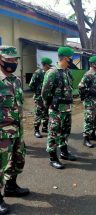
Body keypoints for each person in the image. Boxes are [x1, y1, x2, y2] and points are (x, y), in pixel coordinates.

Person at [0, 46, 30, 215]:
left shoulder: (16, 80)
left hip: (16, 129)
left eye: (15, 60)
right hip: (1, 131)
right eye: (9, 60)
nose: (13, 63)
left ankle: (11, 186)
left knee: (18, 159)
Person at [42, 46, 77, 170]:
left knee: (65, 132)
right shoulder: (53, 72)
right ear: (66, 58)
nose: (72, 60)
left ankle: (64, 152)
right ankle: (53, 158)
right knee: (54, 133)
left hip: (66, 107)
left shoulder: (67, 72)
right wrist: (51, 105)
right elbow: (45, 92)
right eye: (71, 57)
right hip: (56, 109)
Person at [78, 56, 96, 148]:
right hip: (90, 101)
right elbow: (80, 86)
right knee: (89, 120)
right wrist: (89, 92)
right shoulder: (88, 74)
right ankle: (86, 139)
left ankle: (92, 134)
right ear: (92, 64)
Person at [29, 57, 52, 138]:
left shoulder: (49, 72)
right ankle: (36, 130)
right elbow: (31, 85)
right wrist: (38, 92)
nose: (50, 66)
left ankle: (45, 128)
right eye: (49, 65)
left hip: (47, 97)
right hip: (39, 97)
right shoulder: (38, 72)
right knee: (39, 114)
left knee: (46, 113)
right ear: (45, 64)